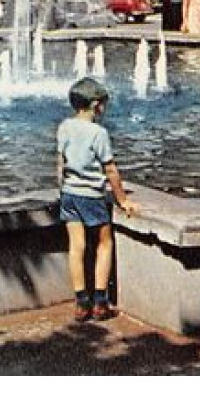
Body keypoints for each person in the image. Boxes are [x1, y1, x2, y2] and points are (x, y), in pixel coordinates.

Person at [57, 77, 139, 322]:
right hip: (92, 196)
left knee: (76, 246)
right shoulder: (98, 133)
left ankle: (81, 302)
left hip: (70, 194)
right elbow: (110, 170)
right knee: (104, 243)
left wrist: (62, 188)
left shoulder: (64, 127)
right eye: (103, 104)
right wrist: (123, 200)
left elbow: (60, 162)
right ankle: (101, 302)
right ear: (95, 105)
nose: (104, 108)